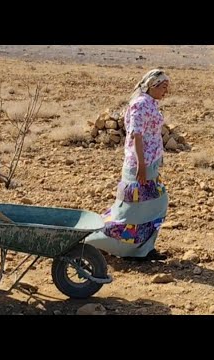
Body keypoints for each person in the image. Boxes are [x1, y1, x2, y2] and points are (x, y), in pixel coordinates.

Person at [85, 69, 170, 262]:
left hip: (150, 164)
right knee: (132, 212)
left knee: (148, 208)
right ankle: (97, 240)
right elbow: (136, 135)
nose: (166, 92)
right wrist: (141, 165)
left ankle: (143, 250)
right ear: (152, 85)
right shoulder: (140, 104)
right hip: (140, 165)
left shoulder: (151, 103)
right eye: (164, 87)